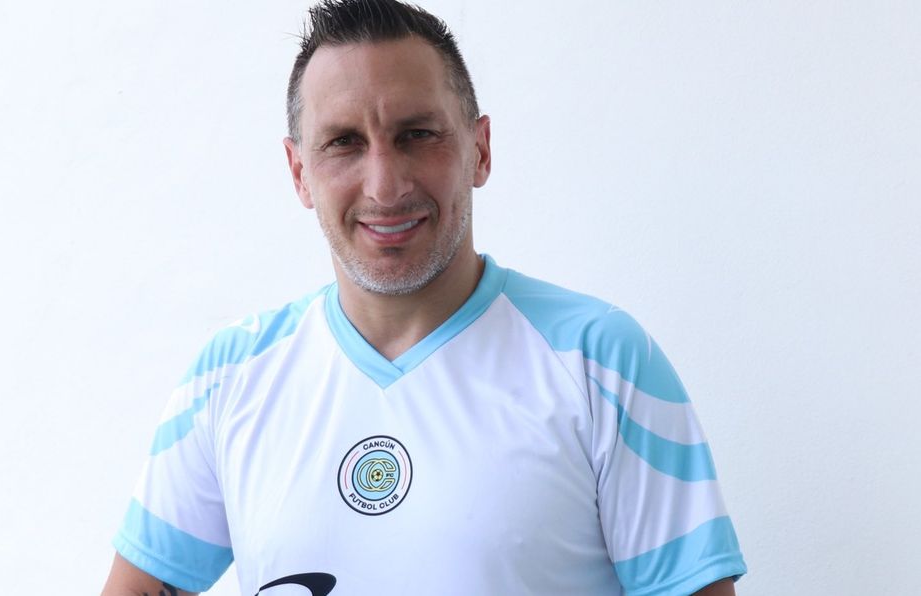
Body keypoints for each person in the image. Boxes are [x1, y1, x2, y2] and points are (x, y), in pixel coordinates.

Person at [101, 1, 748, 594]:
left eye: (416, 134)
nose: (385, 186)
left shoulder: (602, 362)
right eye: (344, 142)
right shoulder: (230, 378)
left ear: (480, 150)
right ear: (299, 172)